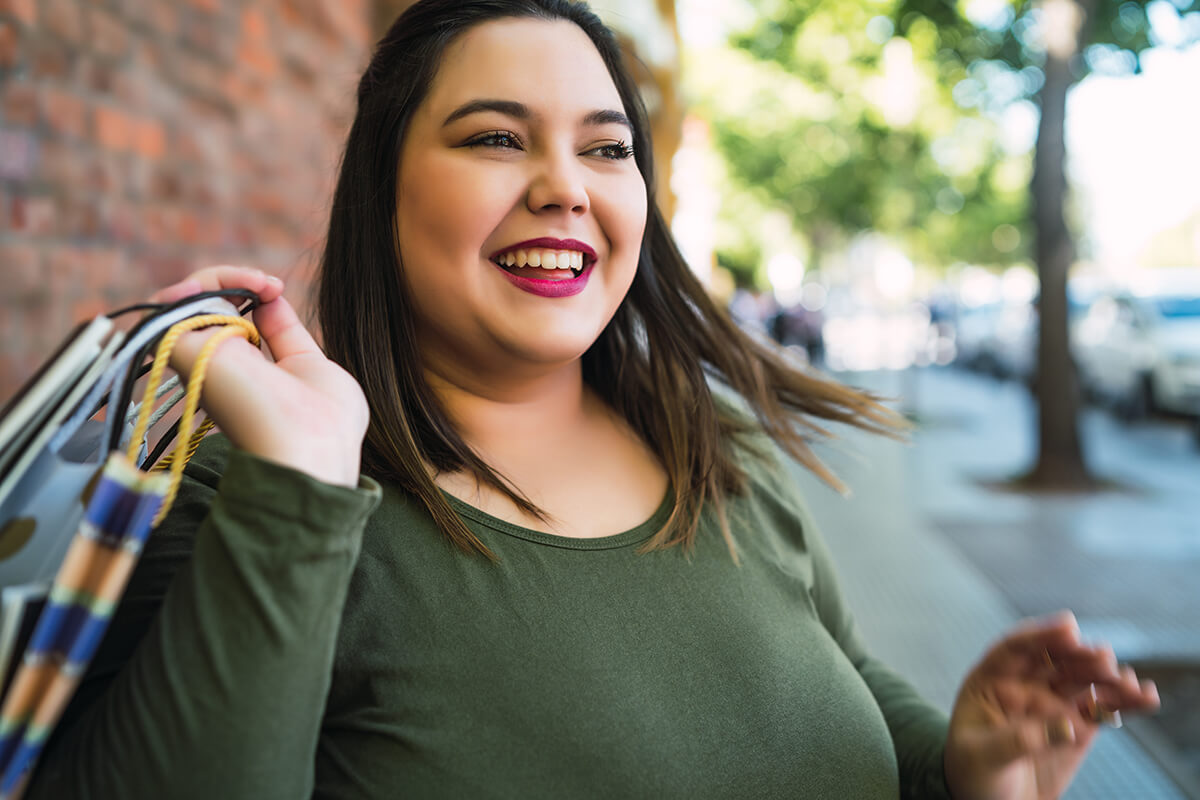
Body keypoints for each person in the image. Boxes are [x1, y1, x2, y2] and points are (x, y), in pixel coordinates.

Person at [28, 1, 1159, 798]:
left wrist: (973, 765)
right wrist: (297, 485)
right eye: (494, 137)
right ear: (380, 190)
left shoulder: (716, 446)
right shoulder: (261, 503)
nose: (564, 184)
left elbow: (855, 699)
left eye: (606, 147)